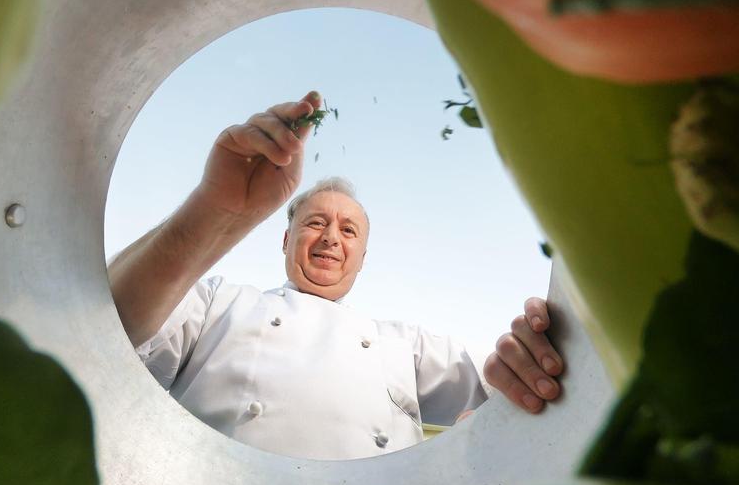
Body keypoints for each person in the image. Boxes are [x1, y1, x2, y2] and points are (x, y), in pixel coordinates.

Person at [108, 91, 564, 460]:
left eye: (349, 231)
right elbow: (112, 321)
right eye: (314, 223)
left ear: (361, 258)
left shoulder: (404, 344)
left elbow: (498, 388)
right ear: (285, 241)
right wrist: (217, 208)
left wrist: (526, 355)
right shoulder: (215, 303)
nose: (331, 238)